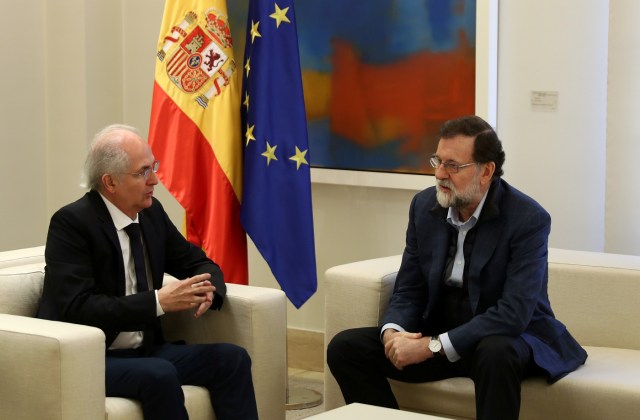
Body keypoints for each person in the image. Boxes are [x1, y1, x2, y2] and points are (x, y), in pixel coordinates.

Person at [327, 115, 587, 420]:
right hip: (440, 333)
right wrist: (393, 334)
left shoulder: (527, 219)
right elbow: (410, 287)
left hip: (505, 338)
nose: (439, 174)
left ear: (486, 171)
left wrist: (433, 346)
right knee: (345, 348)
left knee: (496, 353)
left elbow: (514, 312)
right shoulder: (424, 207)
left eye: (453, 165)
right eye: (438, 160)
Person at [37, 124, 258, 420]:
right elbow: (78, 307)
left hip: (148, 350)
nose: (154, 180)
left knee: (232, 359)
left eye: (153, 167)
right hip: (94, 356)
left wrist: (209, 289)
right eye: (143, 172)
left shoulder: (150, 214)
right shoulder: (72, 224)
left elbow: (198, 263)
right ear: (110, 182)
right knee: (159, 373)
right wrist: (157, 302)